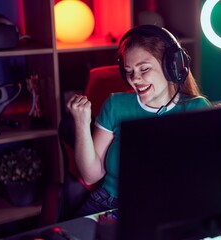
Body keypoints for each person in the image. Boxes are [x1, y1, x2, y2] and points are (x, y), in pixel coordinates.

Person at [66, 25, 211, 216]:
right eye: (129, 71)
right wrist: (81, 122)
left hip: (165, 209)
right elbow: (90, 175)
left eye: (144, 69)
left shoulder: (195, 109)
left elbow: (205, 178)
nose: (135, 78)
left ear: (171, 66)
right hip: (108, 204)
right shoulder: (115, 105)